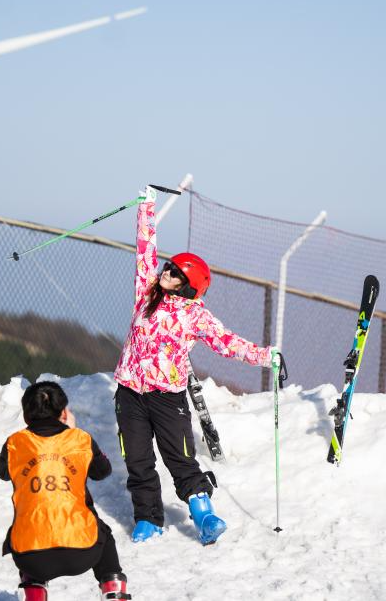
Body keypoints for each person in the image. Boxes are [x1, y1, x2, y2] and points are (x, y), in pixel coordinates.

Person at [113, 186, 279, 545]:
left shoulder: (196, 316)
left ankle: (203, 514)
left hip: (166, 399)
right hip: (130, 392)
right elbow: (145, 252)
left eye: (175, 274)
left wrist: (266, 356)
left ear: (189, 288)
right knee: (138, 461)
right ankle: (148, 519)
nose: (166, 272)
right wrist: (146, 208)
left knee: (180, 458)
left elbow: (227, 342)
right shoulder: (147, 293)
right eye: (169, 267)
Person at [0, 381, 130, 601]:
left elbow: (3, 472)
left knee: (29, 527)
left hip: (30, 557)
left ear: (26, 416)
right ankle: (113, 590)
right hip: (82, 551)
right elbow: (102, 471)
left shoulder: (14, 443)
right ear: (64, 412)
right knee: (103, 532)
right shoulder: (80, 440)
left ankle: (34, 591)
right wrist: (73, 433)